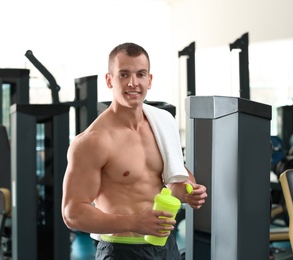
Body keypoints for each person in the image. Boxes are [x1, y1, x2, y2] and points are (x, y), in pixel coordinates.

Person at [61, 42, 207, 260]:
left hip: (166, 246)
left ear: (150, 80)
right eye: (123, 74)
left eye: (140, 74)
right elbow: (72, 213)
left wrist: (189, 193)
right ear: (109, 80)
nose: (133, 83)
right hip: (121, 249)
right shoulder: (93, 141)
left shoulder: (163, 123)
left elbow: (174, 181)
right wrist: (134, 222)